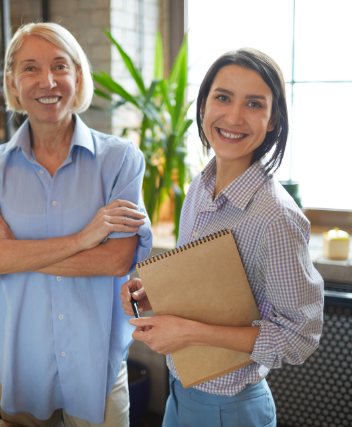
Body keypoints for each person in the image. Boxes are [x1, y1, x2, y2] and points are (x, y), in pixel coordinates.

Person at [0, 22, 153, 427]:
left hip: (96, 359)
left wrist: (12, 251)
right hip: (17, 360)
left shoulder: (120, 161)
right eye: (30, 68)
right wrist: (82, 239)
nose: (47, 81)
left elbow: (115, 259)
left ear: (78, 76)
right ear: (12, 82)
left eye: (60, 66)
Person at [120, 48, 324, 426]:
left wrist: (188, 331)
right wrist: (160, 292)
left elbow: (299, 338)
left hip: (228, 410)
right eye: (223, 97)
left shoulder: (276, 216)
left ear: (273, 119)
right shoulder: (200, 186)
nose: (233, 117)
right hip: (181, 395)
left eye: (253, 104)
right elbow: (210, 288)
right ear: (202, 106)